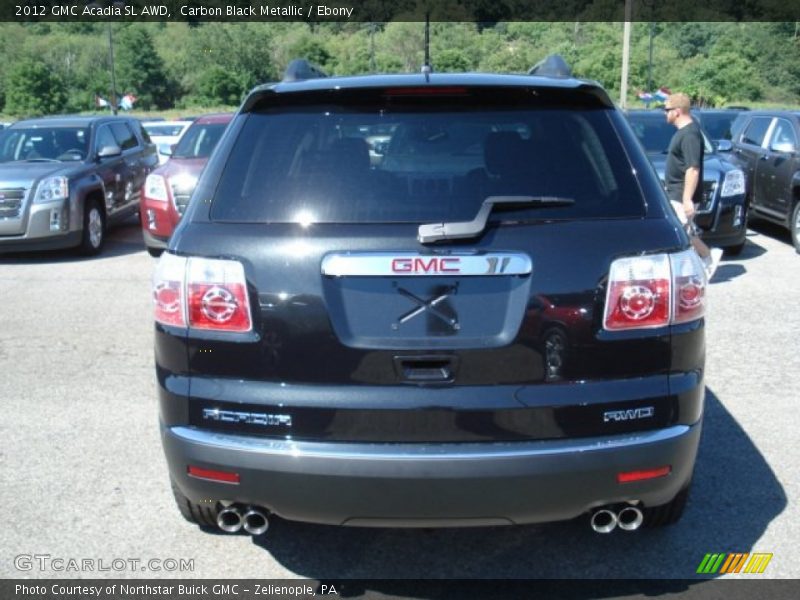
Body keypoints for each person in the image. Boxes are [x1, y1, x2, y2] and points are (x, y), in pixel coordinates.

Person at [664, 92, 723, 279]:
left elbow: (693, 169)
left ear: (677, 111)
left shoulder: (690, 134)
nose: (665, 113)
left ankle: (707, 257)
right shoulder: (683, 132)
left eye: (667, 109)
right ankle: (694, 264)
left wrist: (687, 199)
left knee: (682, 232)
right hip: (675, 191)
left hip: (682, 193)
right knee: (684, 231)